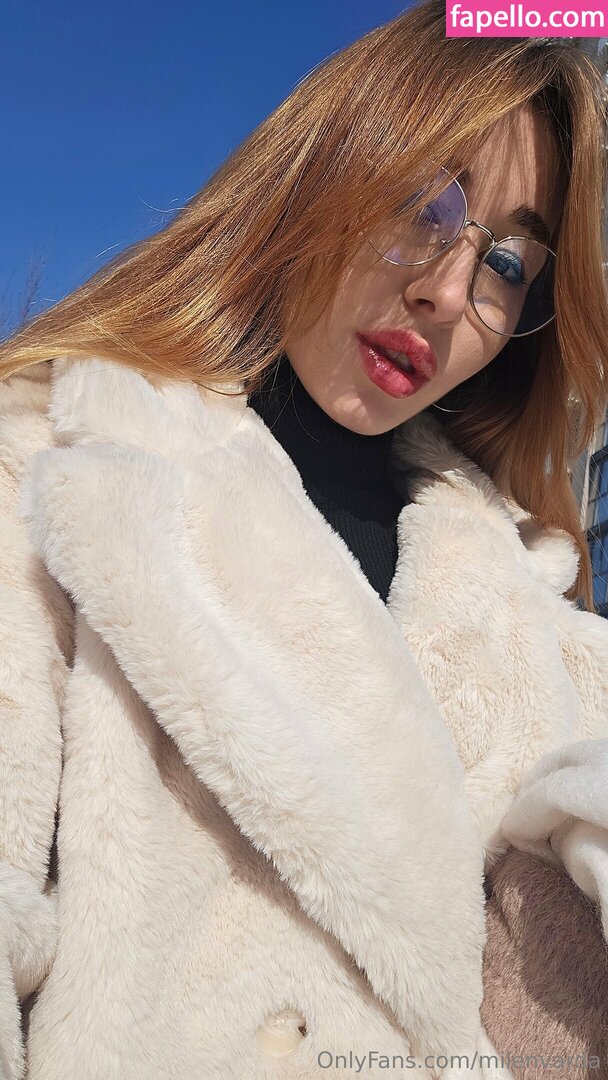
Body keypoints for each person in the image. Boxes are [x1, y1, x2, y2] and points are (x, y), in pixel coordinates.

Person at [0, 2, 607, 1076]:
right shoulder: (51, 470)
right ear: (322, 168)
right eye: (422, 203)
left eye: (507, 266)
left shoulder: (521, 593)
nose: (447, 291)